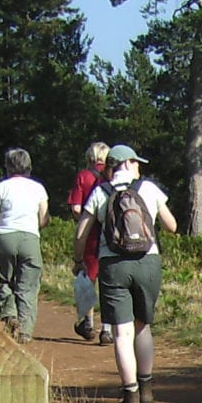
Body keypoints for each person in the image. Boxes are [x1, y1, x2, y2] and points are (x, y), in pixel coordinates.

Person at [75, 144, 178, 403]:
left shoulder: (101, 192)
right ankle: (146, 387)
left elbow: (81, 234)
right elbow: (172, 225)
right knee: (143, 326)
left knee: (122, 331)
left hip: (113, 264)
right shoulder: (148, 188)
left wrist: (78, 261)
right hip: (148, 261)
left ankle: (130, 395)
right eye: (136, 162)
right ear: (130, 163)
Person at [0, 148, 51, 343]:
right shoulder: (38, 188)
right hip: (30, 237)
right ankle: (25, 331)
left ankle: (9, 314)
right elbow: (44, 218)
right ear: (29, 166)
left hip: (5, 237)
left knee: (3, 279)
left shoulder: (2, 186)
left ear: (9, 166)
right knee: (28, 285)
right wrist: (35, 227)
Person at [67, 140, 115, 345]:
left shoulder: (83, 176)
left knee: (89, 278)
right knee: (109, 282)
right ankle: (107, 329)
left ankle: (88, 322)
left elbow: (77, 209)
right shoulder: (114, 176)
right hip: (112, 235)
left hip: (90, 235)